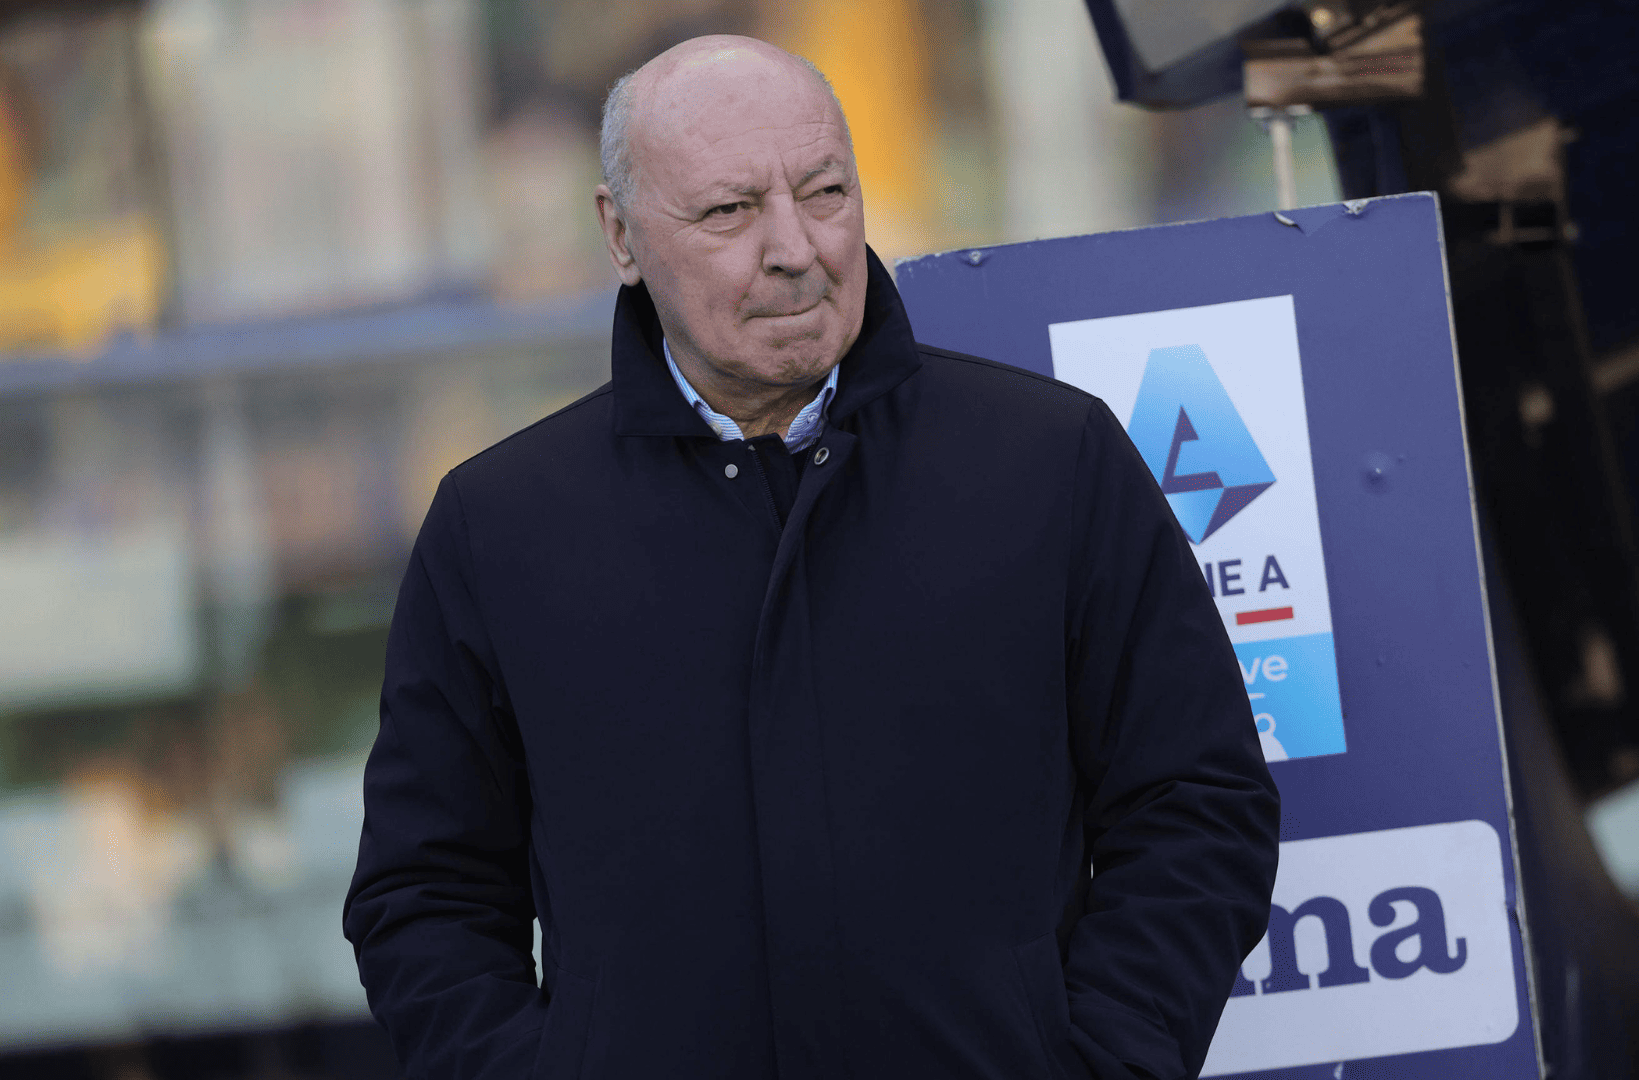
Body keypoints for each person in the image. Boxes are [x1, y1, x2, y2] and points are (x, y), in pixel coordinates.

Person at [344, 35, 1279, 1080]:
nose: (795, 247)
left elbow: (1196, 806)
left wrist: (1106, 1061)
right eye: (730, 210)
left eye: (825, 192)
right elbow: (425, 897)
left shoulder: (1053, 461)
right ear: (620, 235)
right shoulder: (498, 526)